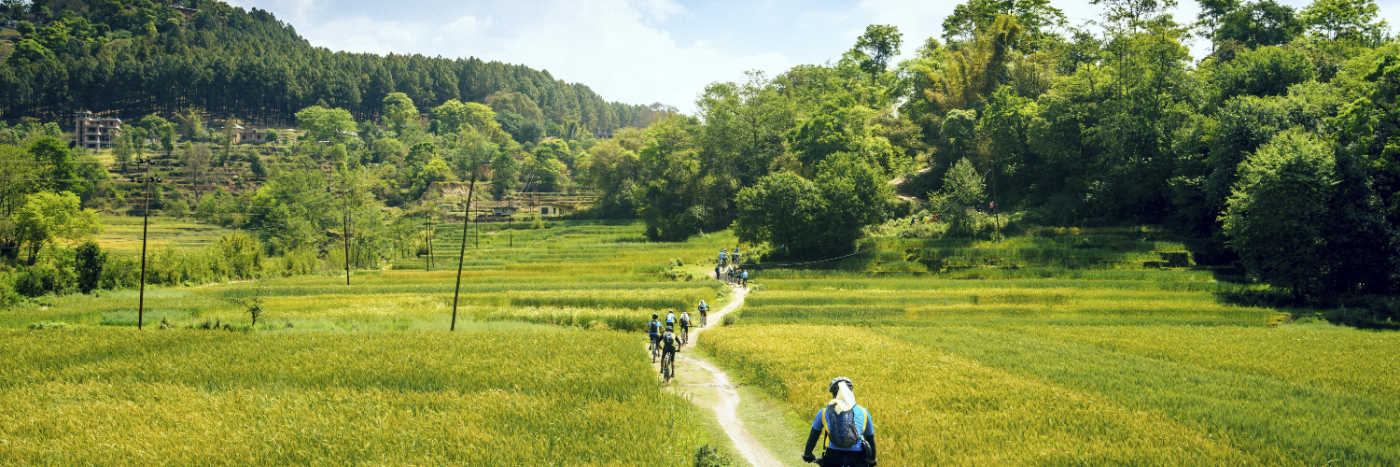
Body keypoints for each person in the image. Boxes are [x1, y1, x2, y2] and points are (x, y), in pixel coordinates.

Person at [803, 377, 876, 467]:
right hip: (857, 458)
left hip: (833, 457)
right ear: (850, 393)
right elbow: (870, 439)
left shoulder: (824, 412)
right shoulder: (863, 411)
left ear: (833, 395)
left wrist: (807, 455)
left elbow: (813, 436)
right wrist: (872, 461)